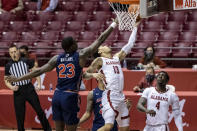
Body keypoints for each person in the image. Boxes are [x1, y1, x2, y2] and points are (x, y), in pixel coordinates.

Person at [5, 19, 118, 131]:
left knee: (58, 129)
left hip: (57, 95)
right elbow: (100, 39)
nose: (76, 43)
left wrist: (18, 78)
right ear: (71, 46)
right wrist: (114, 24)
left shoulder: (56, 58)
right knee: (71, 128)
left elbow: (38, 71)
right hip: (70, 96)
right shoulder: (80, 55)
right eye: (74, 42)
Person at [82, 21, 140, 131]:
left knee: (125, 128)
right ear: (99, 51)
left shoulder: (116, 58)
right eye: (103, 45)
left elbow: (130, 44)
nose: (106, 45)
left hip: (120, 96)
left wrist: (135, 28)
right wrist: (93, 74)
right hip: (109, 95)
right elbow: (84, 75)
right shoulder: (99, 60)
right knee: (108, 126)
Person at [4, 45, 51, 131]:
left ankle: (47, 129)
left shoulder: (26, 61)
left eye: (15, 51)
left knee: (39, 110)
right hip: (18, 91)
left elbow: (35, 72)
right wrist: (11, 87)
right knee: (19, 115)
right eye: (11, 52)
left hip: (29, 89)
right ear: (9, 54)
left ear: (18, 51)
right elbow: (6, 80)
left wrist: (39, 84)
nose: (14, 54)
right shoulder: (8, 66)